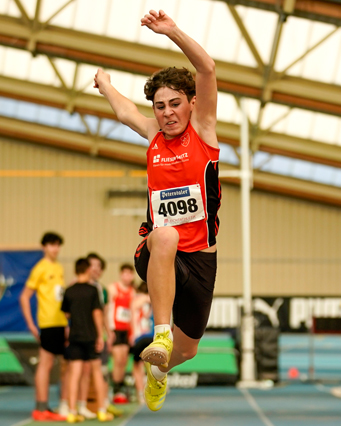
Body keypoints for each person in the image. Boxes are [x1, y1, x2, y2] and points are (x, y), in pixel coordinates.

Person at [94, 9, 221, 412]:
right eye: (160, 105)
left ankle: (160, 372)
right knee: (165, 233)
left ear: (191, 104)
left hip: (201, 258)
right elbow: (124, 111)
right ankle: (160, 332)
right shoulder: (153, 135)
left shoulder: (202, 130)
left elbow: (207, 67)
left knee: (189, 352)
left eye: (174, 104)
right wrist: (106, 84)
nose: (166, 112)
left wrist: (172, 32)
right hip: (159, 249)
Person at [20, 232, 68, 421]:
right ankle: (41, 408)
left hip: (60, 323)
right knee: (45, 364)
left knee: (64, 365)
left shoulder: (59, 267)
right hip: (47, 323)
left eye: (57, 245)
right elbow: (24, 296)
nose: (55, 248)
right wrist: (31, 324)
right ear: (44, 247)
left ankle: (58, 405)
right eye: (51, 245)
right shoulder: (40, 268)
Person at [61, 258, 113, 423]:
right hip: (90, 336)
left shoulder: (68, 291)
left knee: (74, 374)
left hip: (75, 336)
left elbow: (66, 314)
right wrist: (100, 335)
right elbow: (97, 314)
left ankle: (71, 412)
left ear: (76, 270)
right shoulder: (93, 290)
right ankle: (102, 411)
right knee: (97, 373)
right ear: (87, 270)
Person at [107, 263, 135, 404]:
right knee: (117, 360)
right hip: (115, 329)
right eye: (125, 273)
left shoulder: (133, 292)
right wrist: (107, 330)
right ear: (120, 274)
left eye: (130, 274)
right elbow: (107, 309)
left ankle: (120, 389)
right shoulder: (113, 289)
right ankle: (115, 389)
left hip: (127, 330)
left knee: (123, 361)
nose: (127, 276)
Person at [130, 281, 154, 404]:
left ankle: (141, 393)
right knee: (148, 363)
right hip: (151, 335)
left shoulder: (138, 299)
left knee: (137, 366)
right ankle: (148, 390)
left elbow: (133, 312)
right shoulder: (155, 299)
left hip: (140, 336)